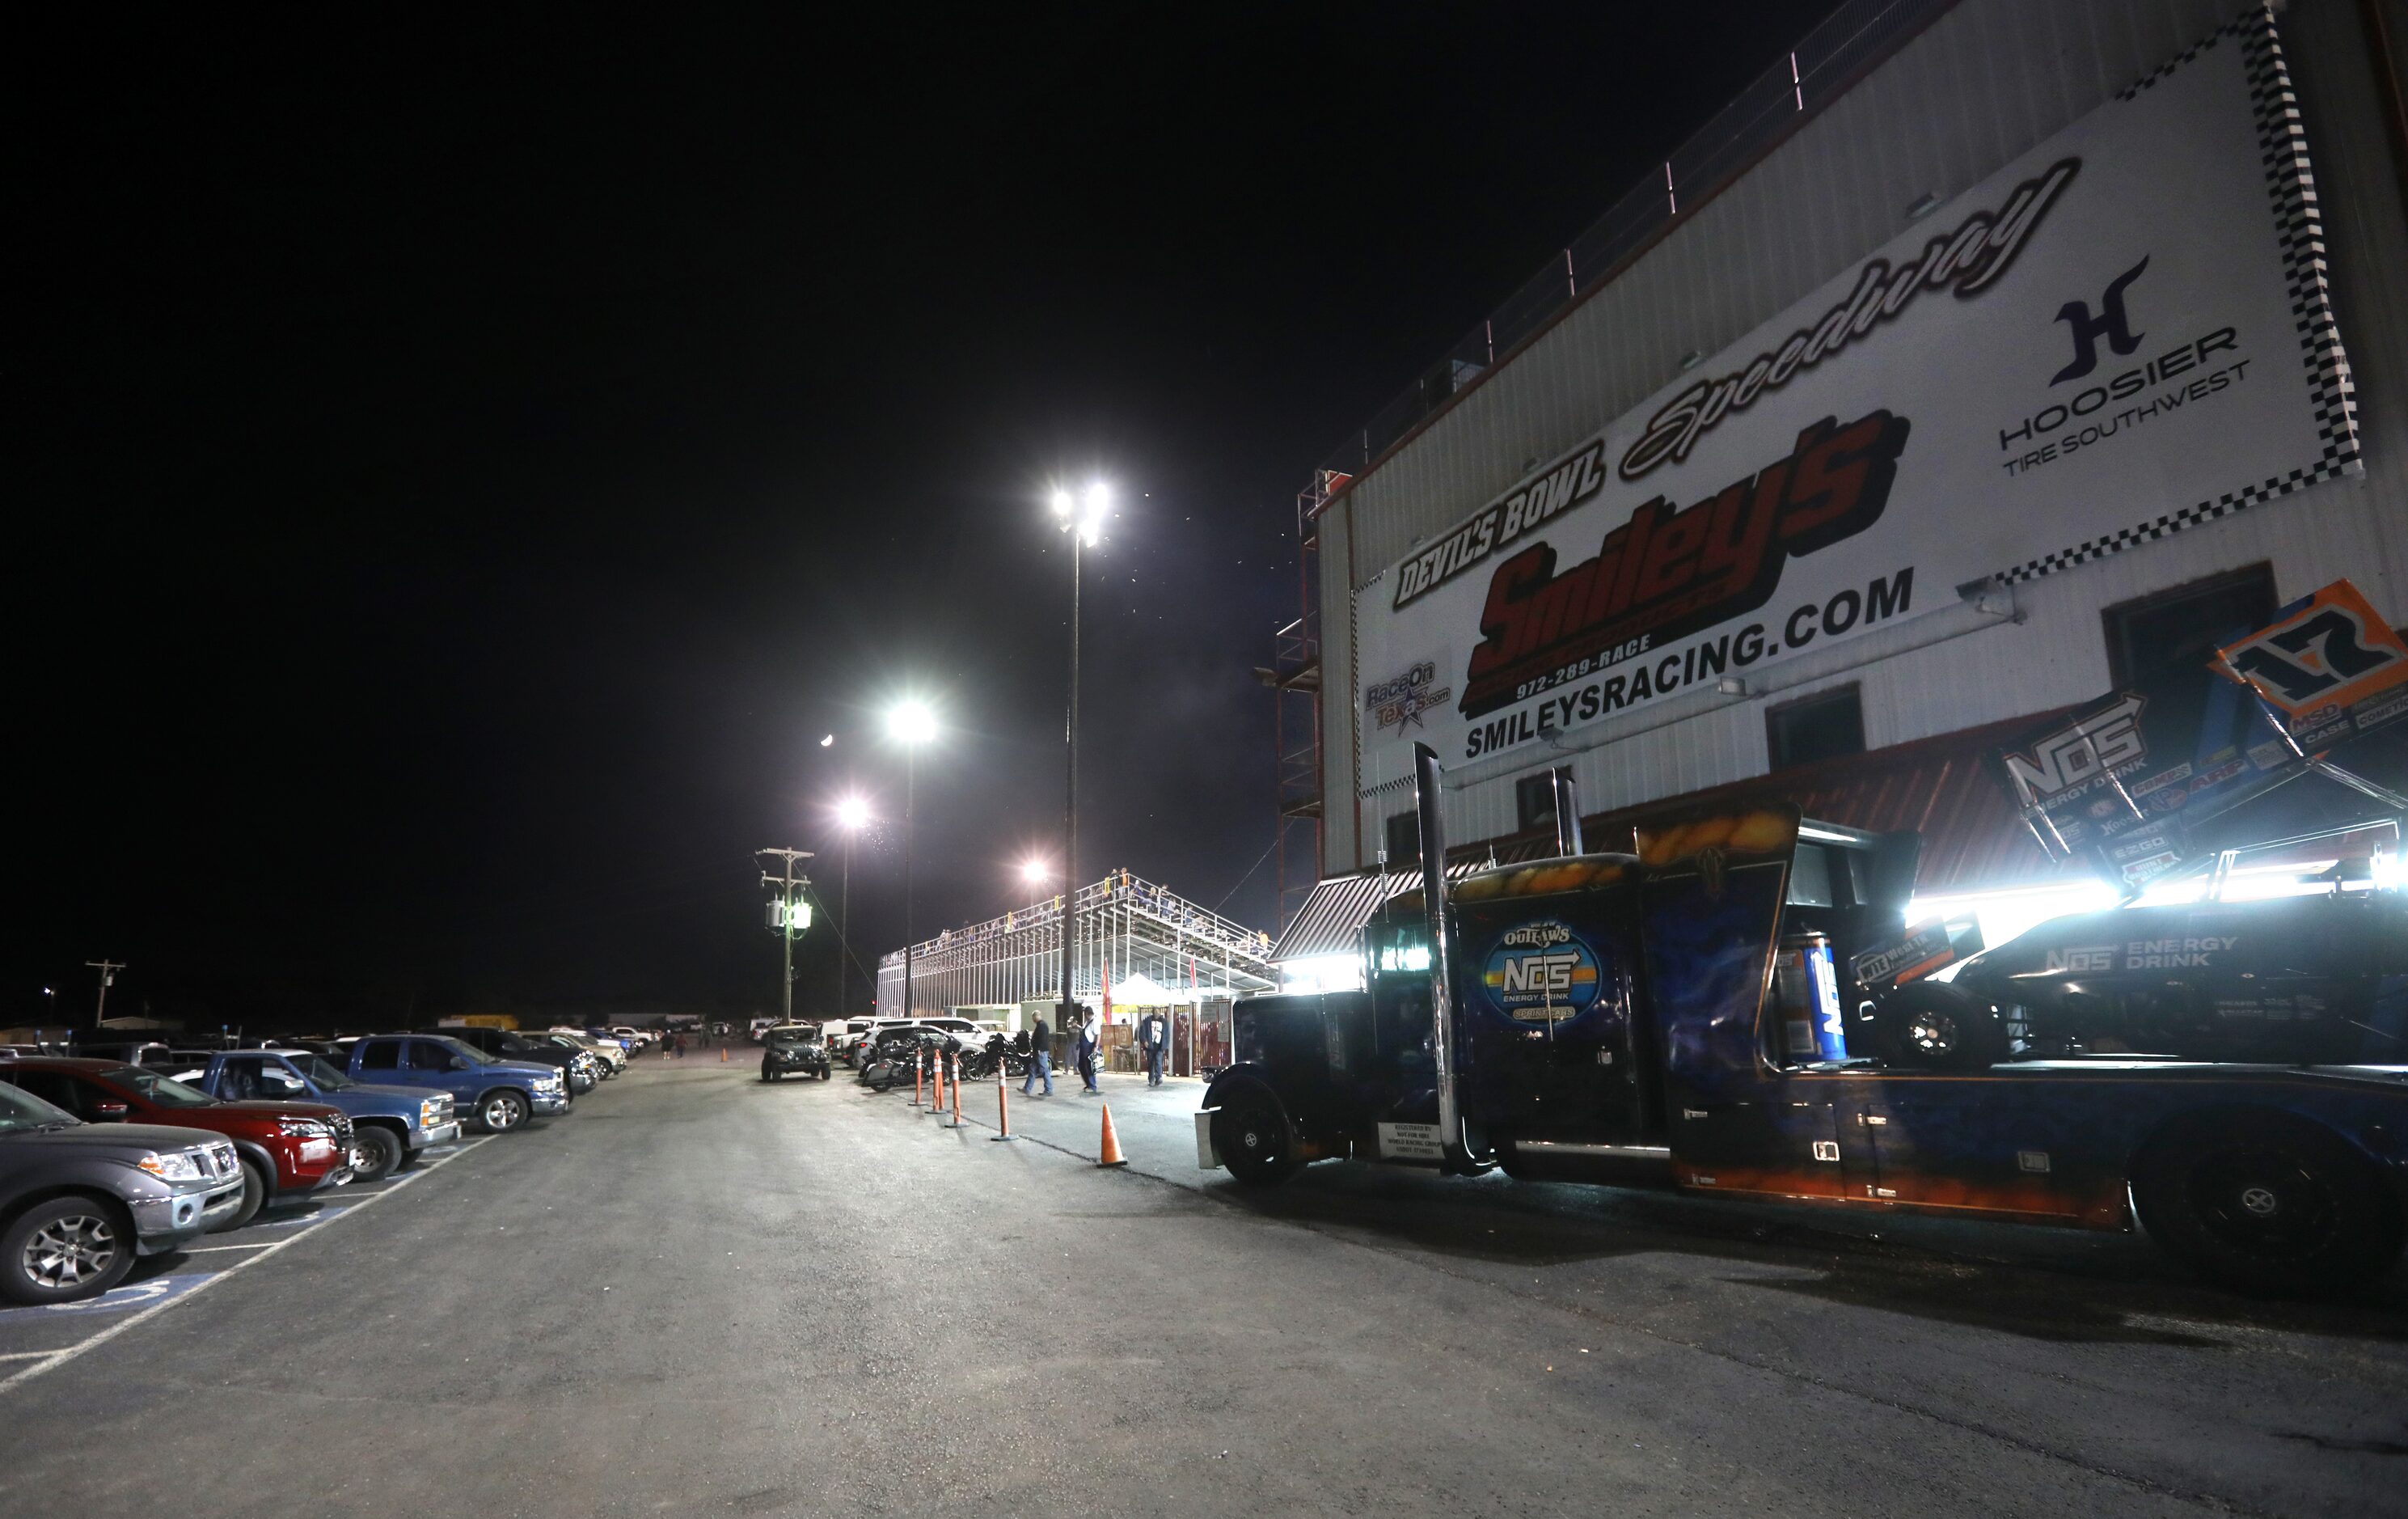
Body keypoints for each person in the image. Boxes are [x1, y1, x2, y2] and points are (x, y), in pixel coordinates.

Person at [1020, 1014, 1054, 1098]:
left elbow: (1042, 1038)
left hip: (1040, 1052)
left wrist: (1039, 1049)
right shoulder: (1040, 1025)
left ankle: (1049, 1090)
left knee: (1045, 1070)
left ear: (1036, 1017)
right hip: (1037, 1052)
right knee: (1032, 1069)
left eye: (1033, 1017)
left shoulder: (1042, 1026)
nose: (1032, 1019)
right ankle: (1027, 1089)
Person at [1138, 1009, 1168, 1087]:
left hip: (1159, 1046)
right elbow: (1142, 1032)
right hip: (1150, 1046)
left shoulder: (1164, 1022)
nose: (1157, 1013)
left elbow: (1167, 1034)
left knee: (1158, 1062)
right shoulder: (1147, 1021)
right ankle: (1151, 1079)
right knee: (1150, 1063)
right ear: (1153, 1012)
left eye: (1158, 1011)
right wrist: (1144, 1041)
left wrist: (1165, 1044)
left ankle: (1158, 1077)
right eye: (1155, 1011)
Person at [1074, 1009, 1100, 1094]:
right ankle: (1088, 1084)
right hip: (1083, 1048)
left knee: (1089, 1067)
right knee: (1081, 1066)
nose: (1084, 1016)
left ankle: (1092, 1086)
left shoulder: (1094, 1022)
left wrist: (1096, 1047)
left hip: (1089, 1047)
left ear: (1087, 1014)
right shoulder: (1087, 1022)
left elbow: (1098, 1034)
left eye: (1085, 1014)